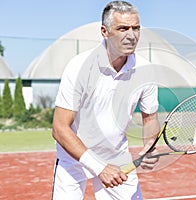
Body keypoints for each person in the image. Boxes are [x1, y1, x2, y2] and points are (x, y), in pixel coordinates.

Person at [51, 1, 160, 199]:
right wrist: (99, 167)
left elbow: (150, 118)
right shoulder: (79, 67)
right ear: (104, 31)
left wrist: (149, 145)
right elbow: (60, 128)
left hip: (116, 157)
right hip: (73, 158)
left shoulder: (147, 71)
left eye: (136, 28)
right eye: (122, 28)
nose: (131, 35)